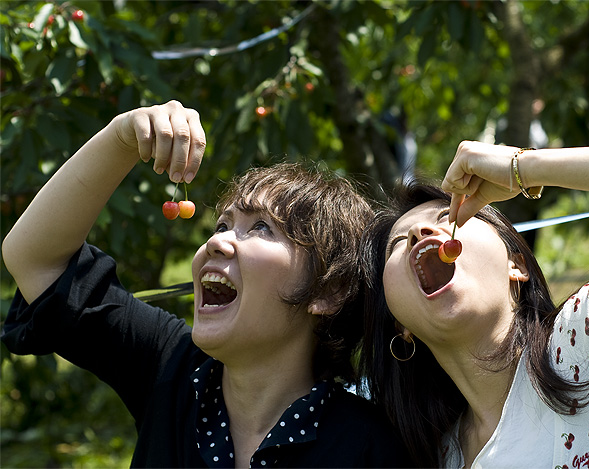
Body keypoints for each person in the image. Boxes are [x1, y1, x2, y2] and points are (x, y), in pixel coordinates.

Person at [1, 101, 414, 468]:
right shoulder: (170, 367)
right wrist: (121, 137)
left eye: (262, 229)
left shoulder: (371, 450)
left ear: (330, 291)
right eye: (223, 224)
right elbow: (36, 261)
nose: (216, 241)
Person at [360, 141, 589, 468]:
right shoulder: (435, 456)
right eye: (397, 245)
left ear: (517, 266)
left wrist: (523, 167)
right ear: (399, 325)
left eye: (447, 216)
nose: (420, 231)